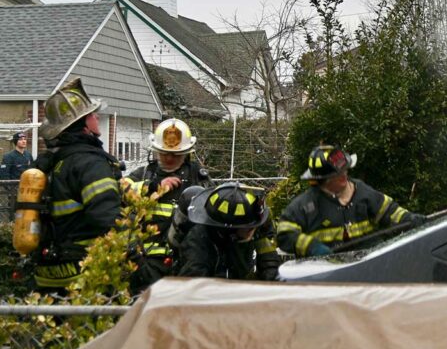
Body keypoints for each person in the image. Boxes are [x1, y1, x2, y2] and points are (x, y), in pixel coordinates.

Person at [31, 79, 122, 291]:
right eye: (91, 114)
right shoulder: (89, 164)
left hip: (46, 276)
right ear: (80, 124)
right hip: (84, 277)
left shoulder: (47, 164)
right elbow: (107, 218)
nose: (96, 116)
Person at [277, 145, 422, 257]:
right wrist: (311, 246)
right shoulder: (306, 205)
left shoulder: (363, 193)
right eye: (337, 175)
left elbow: (390, 211)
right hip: (327, 276)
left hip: (369, 267)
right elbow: (285, 233)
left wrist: (409, 219)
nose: (344, 176)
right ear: (321, 181)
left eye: (345, 170)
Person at [126, 118, 211, 291]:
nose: (170, 158)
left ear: (187, 153)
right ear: (156, 151)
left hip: (187, 263)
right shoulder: (144, 175)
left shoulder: (199, 178)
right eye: (164, 153)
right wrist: (152, 187)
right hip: (146, 265)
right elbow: (118, 191)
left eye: (175, 154)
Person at [176, 182, 280, 280]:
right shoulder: (198, 240)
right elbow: (194, 282)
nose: (253, 230)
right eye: (248, 228)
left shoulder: (256, 220)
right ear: (230, 230)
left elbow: (270, 264)